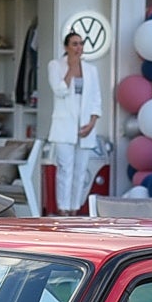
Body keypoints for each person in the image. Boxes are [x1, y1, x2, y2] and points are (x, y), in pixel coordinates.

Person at [44, 27, 103, 215]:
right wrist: (70, 69)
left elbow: (96, 97)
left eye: (81, 44)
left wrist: (92, 123)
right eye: (75, 44)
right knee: (65, 169)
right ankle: (63, 209)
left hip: (85, 125)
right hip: (64, 126)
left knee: (81, 171)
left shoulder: (91, 70)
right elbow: (59, 90)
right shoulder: (55, 65)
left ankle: (75, 209)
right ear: (66, 46)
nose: (78, 48)